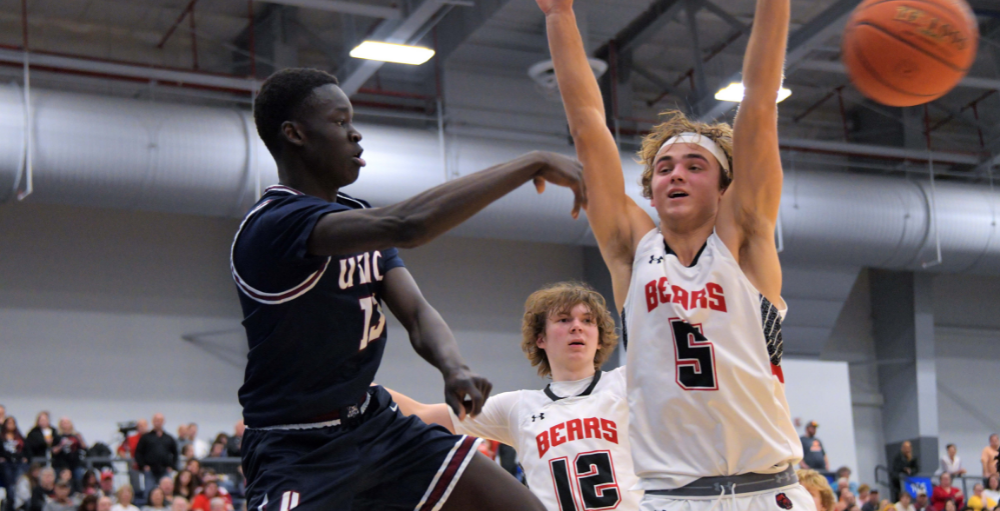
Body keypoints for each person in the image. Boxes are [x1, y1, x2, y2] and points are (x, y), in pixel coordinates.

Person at [234, 67, 584, 511]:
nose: (356, 135)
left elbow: (416, 312)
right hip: (297, 449)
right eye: (341, 123)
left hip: (377, 427)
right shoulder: (274, 225)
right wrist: (529, 163)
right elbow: (410, 224)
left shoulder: (355, 218)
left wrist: (452, 367)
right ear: (295, 134)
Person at [538, 0, 813, 509]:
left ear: (727, 188)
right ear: (650, 189)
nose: (676, 174)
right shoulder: (632, 250)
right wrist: (559, 14)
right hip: (671, 497)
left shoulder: (746, 241)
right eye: (664, 168)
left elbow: (758, 103)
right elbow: (587, 126)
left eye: (694, 165)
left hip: (766, 491)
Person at [388, 282, 639, 510]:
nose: (576, 326)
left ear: (599, 339)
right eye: (563, 320)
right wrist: (356, 383)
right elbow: (422, 414)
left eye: (587, 321)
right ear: (540, 338)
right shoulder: (516, 407)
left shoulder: (627, 383)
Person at [134, 415, 177, 482]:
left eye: (160, 420)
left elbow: (175, 453)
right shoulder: (146, 437)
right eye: (156, 420)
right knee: (149, 490)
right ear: (153, 422)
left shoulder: (169, 438)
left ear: (163, 422)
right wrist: (143, 466)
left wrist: (172, 466)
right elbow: (138, 453)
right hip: (150, 470)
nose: (158, 422)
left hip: (165, 469)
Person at [2, 416, 28, 511]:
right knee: (10, 484)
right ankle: (10, 502)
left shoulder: (19, 437)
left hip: (18, 462)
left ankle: (19, 503)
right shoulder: (1, 437)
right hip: (6, 463)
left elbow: (26, 449)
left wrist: (26, 458)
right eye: (8, 423)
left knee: (19, 482)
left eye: (12, 423)